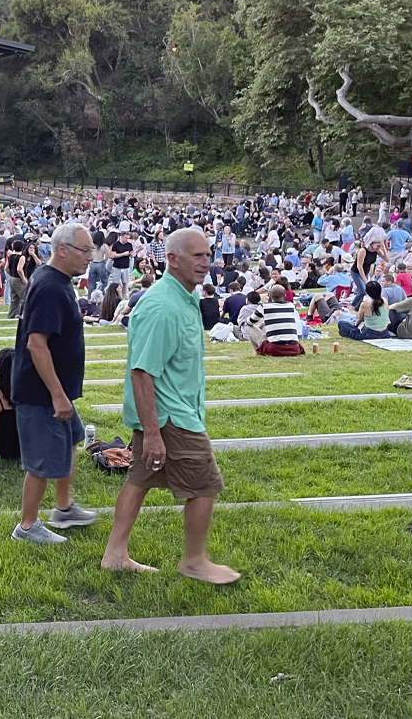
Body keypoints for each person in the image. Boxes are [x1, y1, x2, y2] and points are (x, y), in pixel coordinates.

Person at [100, 228, 239, 583]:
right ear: (172, 259)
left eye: (208, 255)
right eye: (197, 256)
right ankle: (194, 560)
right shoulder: (162, 304)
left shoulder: (185, 296)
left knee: (140, 479)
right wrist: (153, 433)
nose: (205, 262)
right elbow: (142, 373)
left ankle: (115, 554)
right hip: (169, 416)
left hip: (171, 410)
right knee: (205, 486)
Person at [9, 222, 97, 544]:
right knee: (42, 463)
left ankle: (63, 508)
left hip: (55, 391)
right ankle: (27, 527)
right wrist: (58, 395)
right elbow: (36, 344)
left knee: (72, 437)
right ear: (62, 250)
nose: (91, 256)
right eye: (85, 250)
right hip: (42, 392)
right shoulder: (49, 286)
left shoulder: (56, 280)